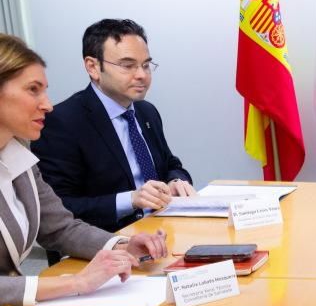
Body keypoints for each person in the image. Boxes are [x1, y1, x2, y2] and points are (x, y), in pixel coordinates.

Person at [0, 34, 168, 306]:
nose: (48, 105)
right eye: (33, 90)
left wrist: (122, 246)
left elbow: (60, 228)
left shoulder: (17, 157)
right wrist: (77, 282)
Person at [31, 19, 194, 232]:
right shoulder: (62, 121)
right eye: (128, 65)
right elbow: (60, 207)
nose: (142, 75)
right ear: (93, 67)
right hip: (107, 242)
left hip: (162, 228)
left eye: (146, 65)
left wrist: (176, 181)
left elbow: (171, 164)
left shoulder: (146, 111)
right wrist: (131, 200)